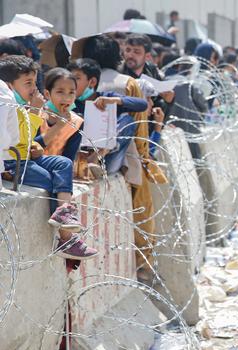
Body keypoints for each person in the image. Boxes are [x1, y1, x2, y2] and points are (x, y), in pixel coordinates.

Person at [81, 34, 167, 279]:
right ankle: (143, 271)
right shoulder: (127, 83)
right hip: (126, 161)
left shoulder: (82, 79)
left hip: (89, 159)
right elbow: (139, 128)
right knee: (142, 221)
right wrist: (145, 160)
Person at [0, 55, 97, 259]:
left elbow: (27, 140)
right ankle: (66, 237)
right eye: (28, 83)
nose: (33, 89)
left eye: (34, 82)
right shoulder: (8, 105)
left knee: (63, 163)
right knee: (48, 180)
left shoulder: (22, 107)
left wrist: (35, 144)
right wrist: (35, 112)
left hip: (27, 156)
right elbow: (14, 140)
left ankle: (63, 212)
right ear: (10, 85)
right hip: (13, 162)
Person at [67, 58, 148, 177]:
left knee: (128, 121)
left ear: (92, 82)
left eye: (77, 78)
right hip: (77, 158)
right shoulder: (71, 103)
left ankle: (98, 155)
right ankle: (89, 160)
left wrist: (115, 100)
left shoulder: (106, 98)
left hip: (106, 161)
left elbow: (142, 105)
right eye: (71, 78)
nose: (72, 83)